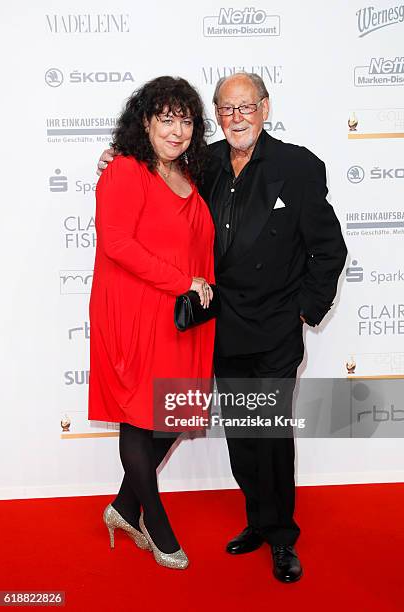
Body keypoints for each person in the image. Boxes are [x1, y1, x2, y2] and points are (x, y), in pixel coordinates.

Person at [97, 72, 347, 582]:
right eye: (226, 109)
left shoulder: (297, 166)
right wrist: (111, 160)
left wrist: (304, 310)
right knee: (240, 435)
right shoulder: (203, 161)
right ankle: (254, 521)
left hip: (275, 330)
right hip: (221, 327)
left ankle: (281, 538)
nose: (237, 118)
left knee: (271, 434)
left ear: (265, 107)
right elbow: (149, 174)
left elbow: (330, 249)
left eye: (246, 107)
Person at [89, 76, 216, 570]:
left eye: (185, 120)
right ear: (144, 121)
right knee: (141, 416)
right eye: (166, 118)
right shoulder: (124, 170)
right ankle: (154, 522)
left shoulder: (190, 171)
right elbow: (117, 243)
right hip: (138, 314)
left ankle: (123, 506)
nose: (177, 129)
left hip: (182, 317)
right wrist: (182, 280)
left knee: (173, 413)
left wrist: (191, 286)